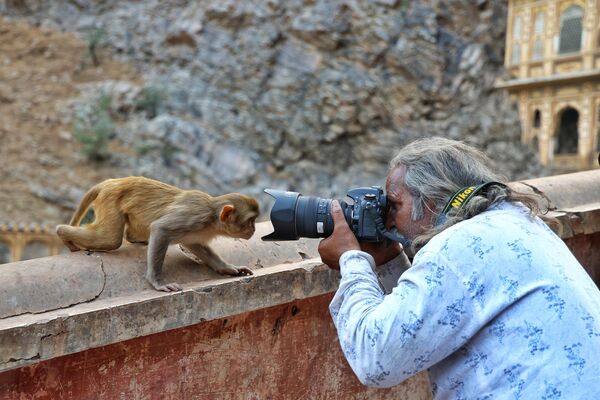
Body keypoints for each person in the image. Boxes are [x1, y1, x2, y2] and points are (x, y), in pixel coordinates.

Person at [318, 137, 600, 399]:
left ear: (428, 201)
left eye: (394, 205)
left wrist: (351, 259)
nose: (388, 222)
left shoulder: (457, 247)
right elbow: (427, 317)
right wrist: (390, 260)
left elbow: (376, 358)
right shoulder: (516, 221)